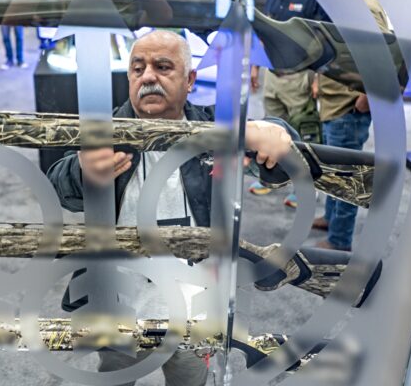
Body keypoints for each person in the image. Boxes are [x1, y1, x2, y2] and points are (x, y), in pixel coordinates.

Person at [47, 30, 295, 385]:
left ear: (190, 79)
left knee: (189, 378)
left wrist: (273, 131)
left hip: (194, 302)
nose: (148, 76)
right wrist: (80, 171)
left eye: (163, 66)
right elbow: (57, 183)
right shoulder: (104, 132)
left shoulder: (213, 130)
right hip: (120, 300)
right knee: (116, 375)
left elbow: (283, 159)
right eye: (138, 68)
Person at [311, 0, 390, 251]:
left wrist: (367, 97)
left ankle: (340, 239)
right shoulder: (352, 5)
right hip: (336, 100)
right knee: (333, 168)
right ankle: (332, 219)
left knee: (345, 175)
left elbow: (384, 56)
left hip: (348, 104)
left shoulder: (366, 8)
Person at [249, 0, 330, 207]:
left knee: (304, 133)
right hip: (273, 77)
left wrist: (319, 79)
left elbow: (323, 42)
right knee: (271, 130)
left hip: (299, 80)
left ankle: (305, 187)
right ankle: (270, 178)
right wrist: (255, 67)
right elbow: (263, 36)